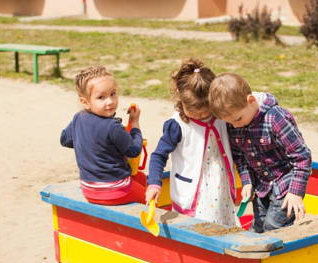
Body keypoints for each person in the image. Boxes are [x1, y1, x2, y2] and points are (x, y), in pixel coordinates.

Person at [208, 72, 312, 233]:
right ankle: (251, 254)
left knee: (273, 226)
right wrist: (247, 182)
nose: (234, 126)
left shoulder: (275, 118)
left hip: (285, 183)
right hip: (261, 186)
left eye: (237, 120)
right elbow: (240, 158)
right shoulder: (235, 123)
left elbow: (302, 156)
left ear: (250, 101)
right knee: (259, 226)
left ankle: (281, 256)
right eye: (229, 122)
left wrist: (295, 192)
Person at [146, 58, 238, 226]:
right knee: (199, 227)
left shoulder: (221, 116)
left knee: (223, 225)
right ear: (181, 101)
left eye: (206, 111)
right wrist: (154, 183)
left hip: (220, 184)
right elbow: (158, 156)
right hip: (193, 191)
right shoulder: (177, 125)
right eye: (196, 112)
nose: (203, 116)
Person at [60, 66, 146, 205]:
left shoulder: (78, 118)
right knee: (151, 200)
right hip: (116, 189)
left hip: (89, 189)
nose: (110, 101)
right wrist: (134, 123)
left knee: (140, 178)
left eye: (113, 93)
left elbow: (65, 140)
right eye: (101, 97)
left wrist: (90, 146)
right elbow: (134, 151)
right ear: (85, 102)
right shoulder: (112, 127)